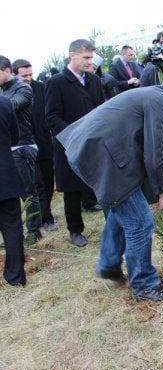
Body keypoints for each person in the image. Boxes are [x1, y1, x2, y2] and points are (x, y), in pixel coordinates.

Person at [57, 83, 163, 302]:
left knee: (123, 210)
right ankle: (145, 286)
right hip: (97, 152)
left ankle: (109, 264)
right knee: (139, 221)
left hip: (98, 150)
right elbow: (153, 152)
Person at [45, 39, 105, 247]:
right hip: (68, 145)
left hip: (93, 143)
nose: (90, 62)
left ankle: (111, 222)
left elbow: (102, 110)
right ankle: (75, 230)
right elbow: (52, 116)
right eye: (86, 58)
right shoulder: (56, 83)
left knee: (101, 182)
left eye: (92, 58)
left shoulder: (94, 81)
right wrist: (74, 135)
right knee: (72, 190)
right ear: (73, 56)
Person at [0, 56, 42, 244]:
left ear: (7, 70)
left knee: (28, 191)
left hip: (23, 146)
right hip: (9, 148)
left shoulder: (23, 88)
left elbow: (12, 106)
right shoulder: (4, 90)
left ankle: (34, 231)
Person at [12, 59, 57, 232]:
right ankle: (46, 218)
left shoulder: (41, 88)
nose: (28, 78)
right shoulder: (12, 93)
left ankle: (45, 211)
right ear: (16, 74)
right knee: (36, 183)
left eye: (30, 74)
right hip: (26, 145)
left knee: (47, 181)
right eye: (24, 75)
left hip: (44, 142)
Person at [0, 96, 26, 287]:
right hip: (5, 173)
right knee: (12, 227)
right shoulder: (4, 102)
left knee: (11, 225)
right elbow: (15, 137)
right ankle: (16, 276)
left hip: (5, 175)